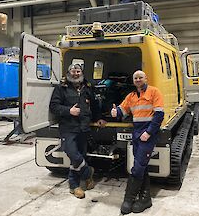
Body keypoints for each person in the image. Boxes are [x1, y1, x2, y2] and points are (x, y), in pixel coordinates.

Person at [111, 70, 164, 214]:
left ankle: (128, 199)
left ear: (146, 78)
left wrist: (149, 132)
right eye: (136, 78)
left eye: (141, 77)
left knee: (138, 167)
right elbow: (123, 110)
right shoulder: (131, 96)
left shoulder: (154, 92)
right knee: (142, 166)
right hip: (136, 134)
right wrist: (115, 113)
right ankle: (146, 199)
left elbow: (159, 115)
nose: (138, 80)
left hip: (148, 134)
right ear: (133, 81)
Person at [49, 63, 106, 199]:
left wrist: (99, 118)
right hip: (68, 128)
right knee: (73, 154)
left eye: (78, 71)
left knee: (80, 157)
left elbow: (94, 105)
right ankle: (88, 172)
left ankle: (75, 186)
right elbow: (54, 106)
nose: (76, 73)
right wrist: (69, 111)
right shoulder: (61, 88)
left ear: (81, 72)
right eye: (73, 71)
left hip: (84, 128)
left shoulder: (87, 87)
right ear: (68, 73)